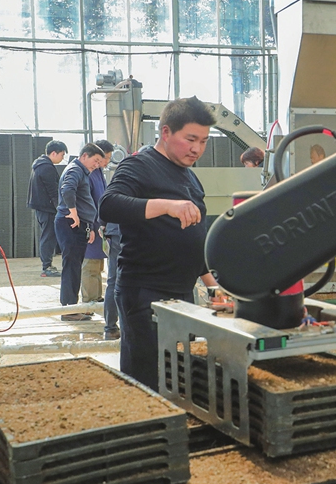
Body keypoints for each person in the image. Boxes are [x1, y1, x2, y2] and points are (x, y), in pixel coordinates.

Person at [101, 98, 218, 390]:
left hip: (181, 292)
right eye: (190, 139)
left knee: (178, 376)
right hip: (145, 294)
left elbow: (195, 236)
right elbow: (109, 205)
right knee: (149, 379)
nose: (197, 149)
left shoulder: (190, 177)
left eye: (203, 141)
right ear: (166, 133)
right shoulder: (139, 165)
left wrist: (212, 285)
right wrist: (166, 205)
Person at [55, 142, 109, 321]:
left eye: (100, 162)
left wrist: (89, 226)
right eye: (96, 160)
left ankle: (72, 307)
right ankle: (69, 310)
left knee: (75, 266)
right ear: (84, 156)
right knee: (71, 267)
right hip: (70, 223)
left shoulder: (84, 172)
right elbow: (67, 190)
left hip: (80, 225)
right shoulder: (75, 170)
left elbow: (84, 199)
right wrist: (74, 213)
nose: (97, 165)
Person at [80, 140, 115, 306]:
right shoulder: (88, 173)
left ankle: (96, 296)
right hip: (92, 225)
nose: (106, 161)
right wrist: (92, 226)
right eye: (105, 158)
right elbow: (88, 202)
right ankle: (88, 300)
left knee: (98, 265)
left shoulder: (99, 173)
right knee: (90, 265)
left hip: (100, 224)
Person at [27, 140, 66, 277]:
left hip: (41, 208)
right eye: (62, 154)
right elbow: (53, 191)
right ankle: (47, 267)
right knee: (48, 237)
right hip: (48, 208)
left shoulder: (39, 165)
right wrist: (62, 209)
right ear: (54, 153)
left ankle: (47, 265)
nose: (63, 158)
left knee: (48, 236)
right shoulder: (47, 167)